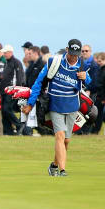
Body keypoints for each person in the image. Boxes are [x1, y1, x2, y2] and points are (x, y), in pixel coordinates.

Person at [22, 39, 91, 177]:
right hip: (55, 104)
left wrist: (85, 78)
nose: (74, 57)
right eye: (71, 54)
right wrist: (30, 104)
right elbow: (38, 83)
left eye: (76, 54)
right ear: (67, 50)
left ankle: (54, 165)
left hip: (72, 106)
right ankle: (62, 170)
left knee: (66, 140)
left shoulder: (81, 64)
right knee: (59, 136)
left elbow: (89, 81)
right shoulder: (54, 62)